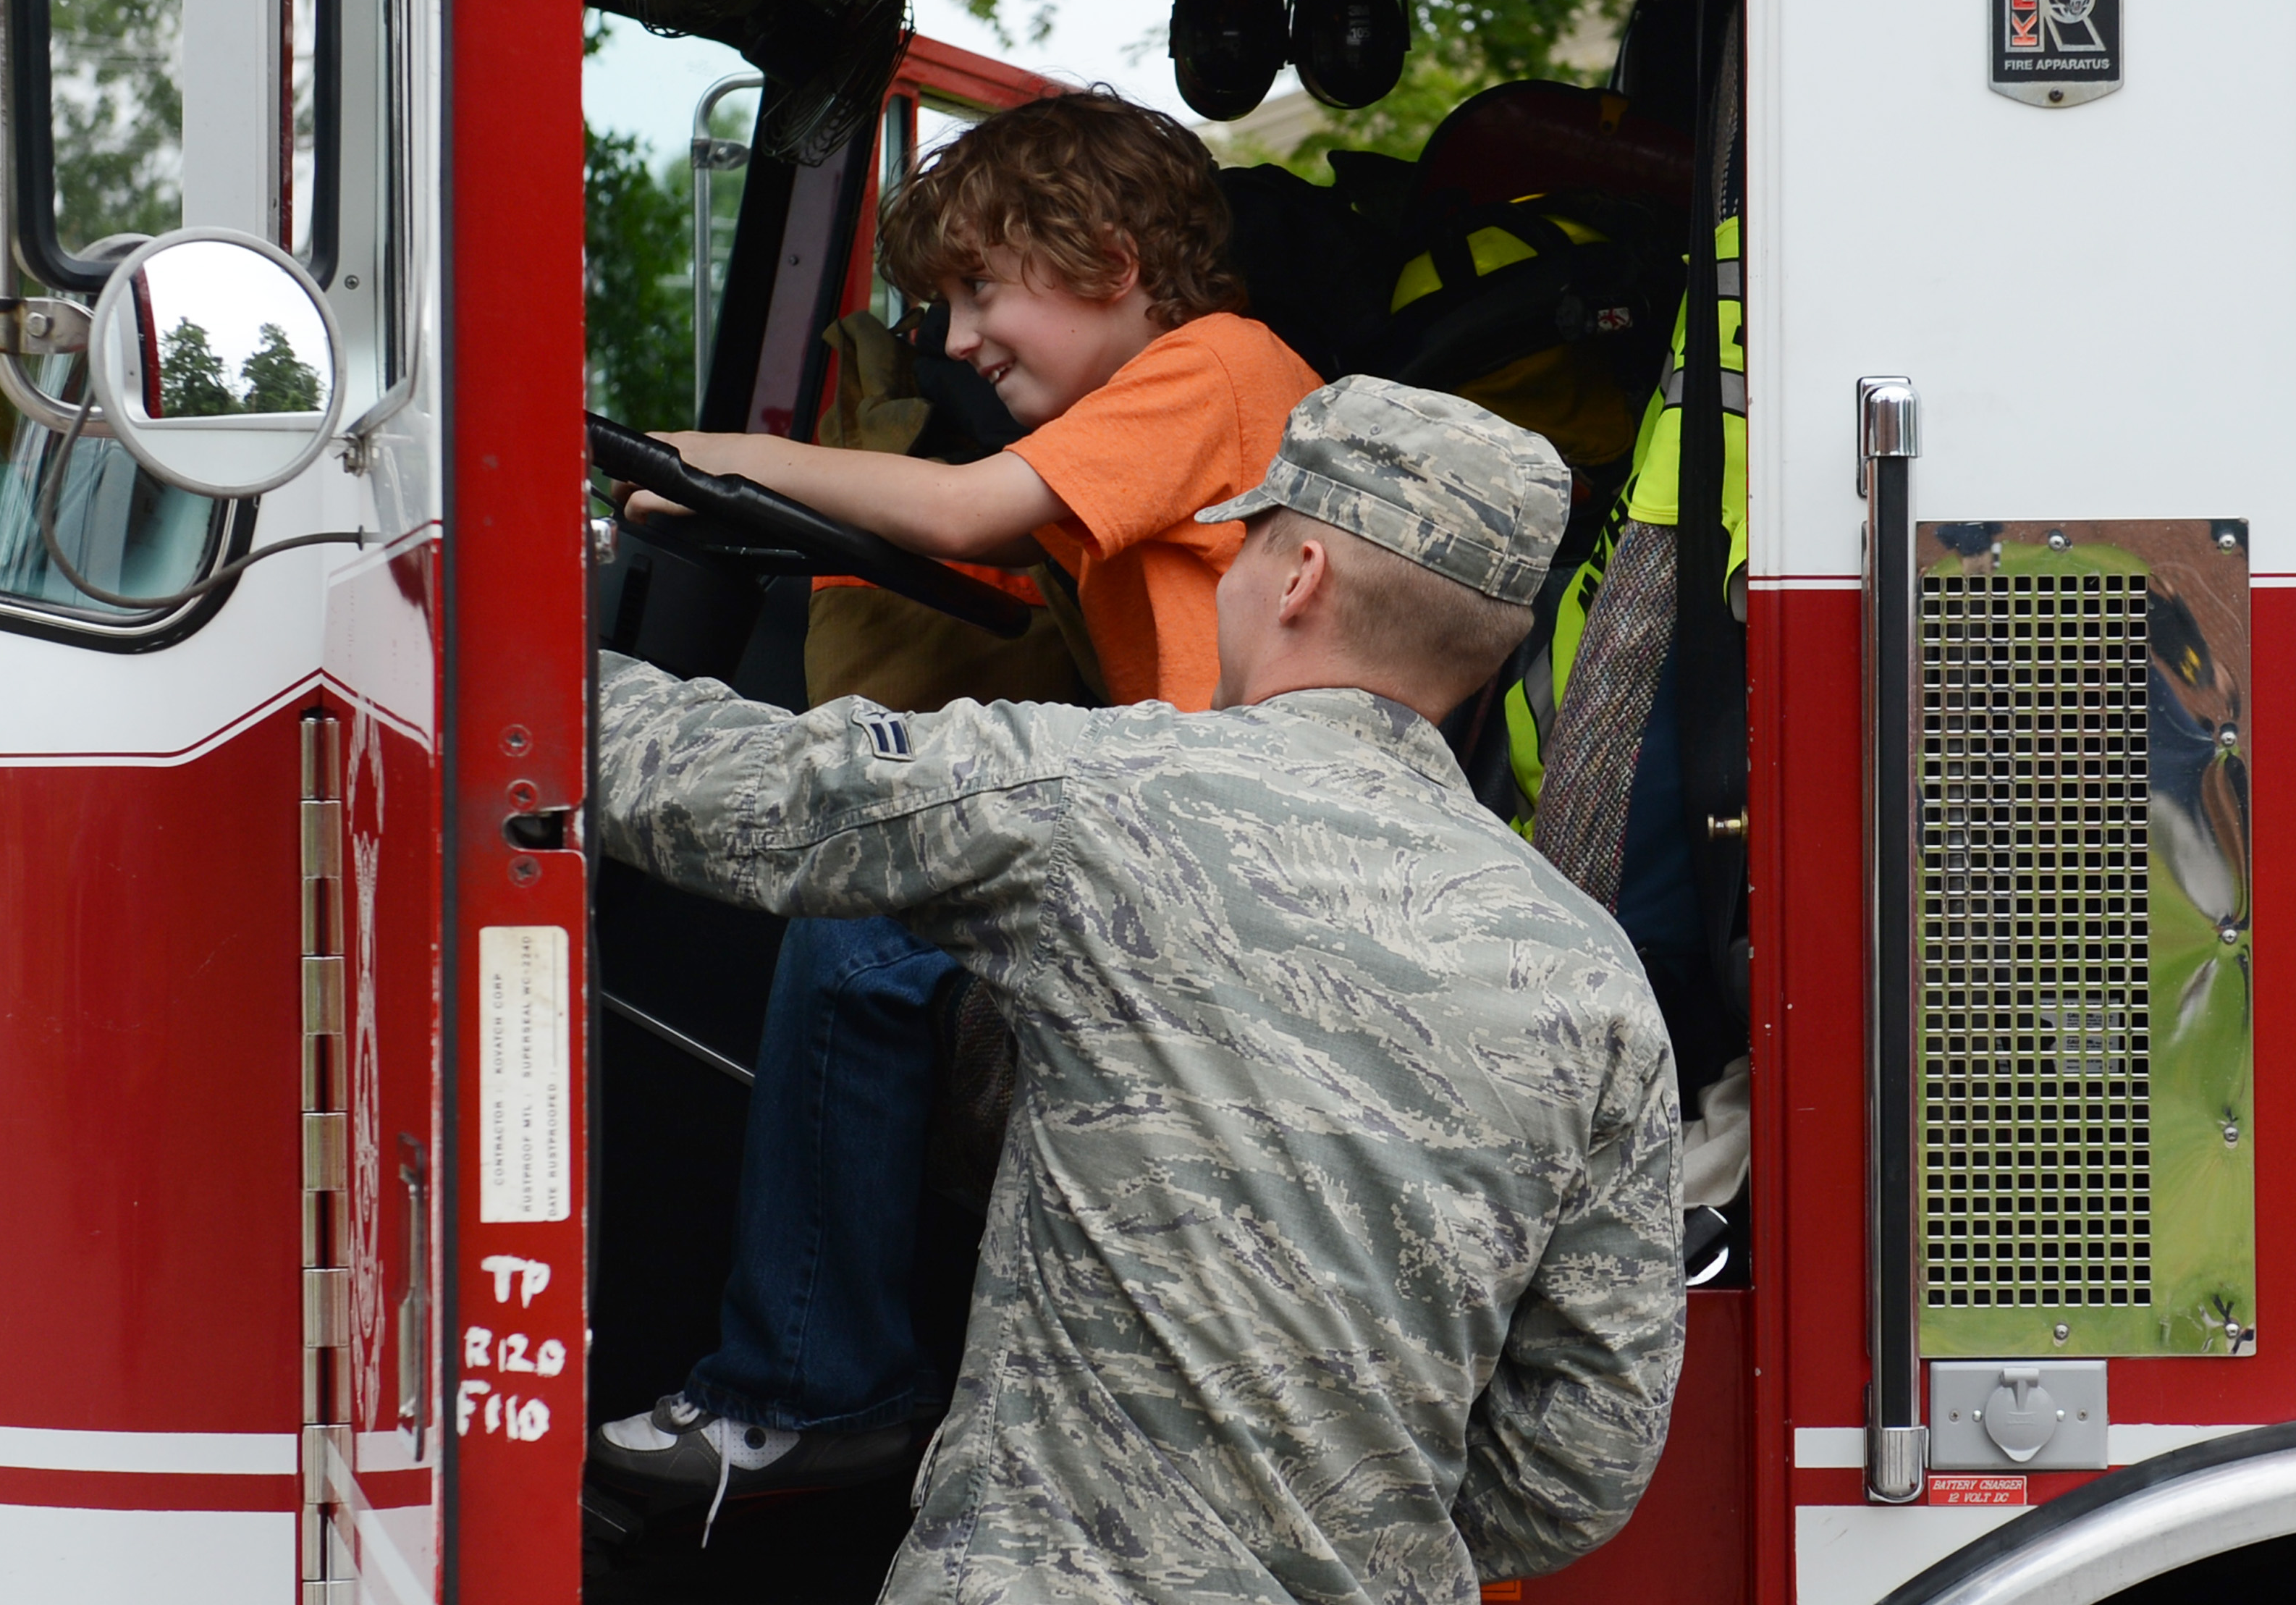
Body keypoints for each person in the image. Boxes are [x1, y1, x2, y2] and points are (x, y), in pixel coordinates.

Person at [592, 376, 1684, 1604]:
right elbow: (1580, 1463)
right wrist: (1352, 1532)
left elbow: (724, 792)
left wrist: (465, 624)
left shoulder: (1110, 798)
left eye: (1240, 550)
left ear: (1300, 575)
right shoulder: (1594, 975)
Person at [600, 91, 1322, 1504]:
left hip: (1233, 865)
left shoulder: (1212, 368)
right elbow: (982, 572)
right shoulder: (1136, 421)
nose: (951, 339)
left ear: (1111, 261)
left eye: (981, 289)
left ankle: (812, 1381)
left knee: (861, 916)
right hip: (1180, 832)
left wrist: (721, 459)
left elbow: (957, 513)